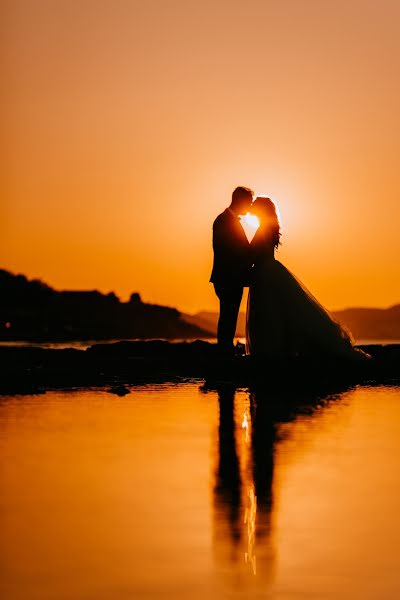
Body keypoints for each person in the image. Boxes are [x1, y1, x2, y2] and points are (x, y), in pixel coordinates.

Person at [246, 197, 368, 359]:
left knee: (269, 312)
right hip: (269, 271)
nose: (252, 206)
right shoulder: (269, 227)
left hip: (265, 275)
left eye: (255, 205)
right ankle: (275, 350)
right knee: (279, 311)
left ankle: (270, 352)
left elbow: (254, 253)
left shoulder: (263, 229)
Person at [210, 186, 253, 356]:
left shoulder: (228, 220)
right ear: (240, 201)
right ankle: (225, 352)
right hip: (228, 277)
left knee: (229, 315)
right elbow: (228, 250)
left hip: (231, 277)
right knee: (228, 315)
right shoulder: (224, 221)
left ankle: (225, 350)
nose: (249, 207)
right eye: (248, 203)